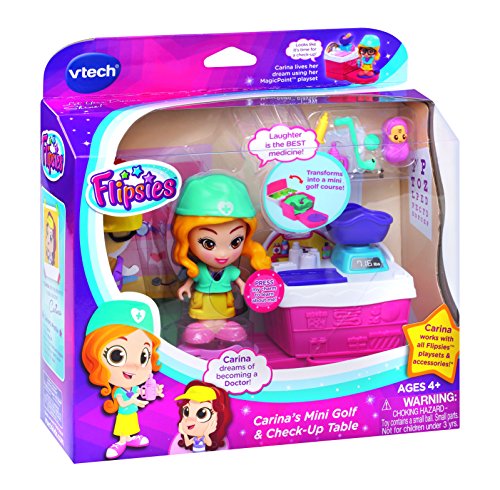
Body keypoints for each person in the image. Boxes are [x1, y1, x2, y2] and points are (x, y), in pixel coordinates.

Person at [172, 173, 271, 345]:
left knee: (225, 313)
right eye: (209, 243)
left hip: (223, 302)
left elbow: (238, 281)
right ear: (186, 237)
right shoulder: (199, 270)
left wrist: (244, 286)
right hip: (203, 302)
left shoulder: (230, 271)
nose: (223, 254)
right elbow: (191, 279)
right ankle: (205, 326)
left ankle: (222, 326)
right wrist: (186, 287)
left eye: (235, 242)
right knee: (203, 315)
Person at [81, 299, 164, 460]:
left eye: (143, 356)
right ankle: (121, 442)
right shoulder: (119, 391)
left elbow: (141, 391)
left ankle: (130, 439)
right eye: (117, 355)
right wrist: (136, 401)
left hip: (132, 414)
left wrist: (155, 391)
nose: (133, 367)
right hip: (124, 414)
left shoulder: (133, 387)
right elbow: (123, 403)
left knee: (132, 427)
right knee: (123, 429)